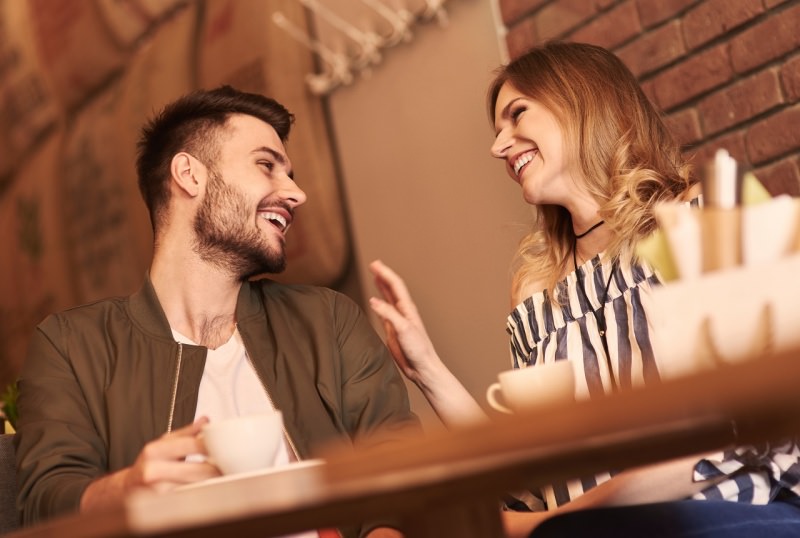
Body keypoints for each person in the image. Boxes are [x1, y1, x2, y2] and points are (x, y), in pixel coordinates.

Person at [368, 41, 800, 538]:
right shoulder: (535, 291)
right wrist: (427, 368)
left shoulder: (710, 213)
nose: (498, 146)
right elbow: (532, 474)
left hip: (737, 514)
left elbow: (745, 431)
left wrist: (554, 522)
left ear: (581, 101)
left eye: (517, 114)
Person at [14, 86, 418, 538]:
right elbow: (44, 501)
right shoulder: (72, 345)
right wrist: (126, 488)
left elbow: (398, 459)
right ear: (189, 174)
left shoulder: (327, 319)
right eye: (267, 165)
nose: (297, 193)